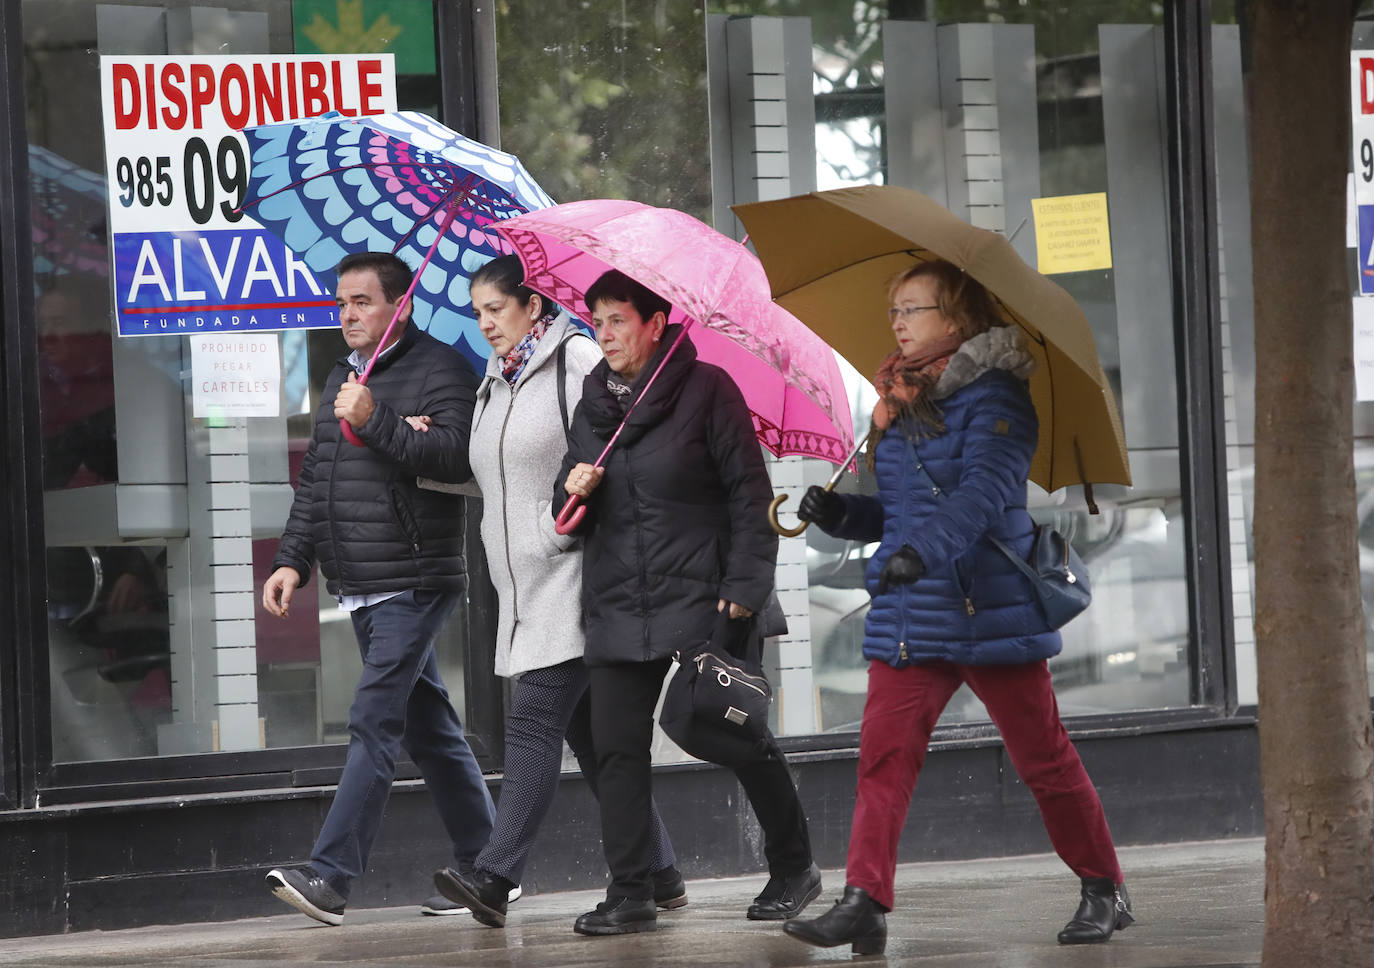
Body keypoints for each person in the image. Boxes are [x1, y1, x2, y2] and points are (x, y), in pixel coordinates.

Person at [782, 260, 1133, 956]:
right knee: (882, 759)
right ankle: (864, 900)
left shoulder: (999, 399)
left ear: (957, 320)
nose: (899, 323)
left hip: (984, 609)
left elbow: (980, 498)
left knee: (1042, 760)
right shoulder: (904, 400)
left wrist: (923, 554)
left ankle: (1103, 886)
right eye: (896, 312)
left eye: (914, 310)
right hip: (913, 610)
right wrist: (843, 514)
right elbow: (901, 512)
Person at [411, 255, 686, 926]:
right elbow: (493, 475)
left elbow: (613, 454)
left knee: (532, 720)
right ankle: (664, 873)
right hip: (520, 585)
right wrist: (410, 445)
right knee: (595, 745)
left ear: (532, 307)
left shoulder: (576, 361)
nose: (483, 324)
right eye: (476, 312)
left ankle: (495, 874)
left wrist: (556, 525)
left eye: (494, 310)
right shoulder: (492, 383)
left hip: (572, 575)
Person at [557, 269, 821, 937]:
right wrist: (576, 487)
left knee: (736, 735)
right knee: (616, 748)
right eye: (596, 320)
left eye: (618, 319)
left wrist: (742, 592)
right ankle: (631, 892)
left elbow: (749, 498)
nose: (604, 333)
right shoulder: (594, 403)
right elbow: (571, 518)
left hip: (706, 596)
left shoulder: (709, 392)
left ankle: (794, 867)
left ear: (655, 323)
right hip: (620, 599)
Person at [261, 251, 494, 926]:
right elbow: (318, 484)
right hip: (360, 581)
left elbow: (457, 457)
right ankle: (488, 867)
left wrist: (378, 419)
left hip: (415, 577)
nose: (348, 315)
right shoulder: (341, 376)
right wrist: (291, 562)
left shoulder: (442, 368)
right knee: (432, 730)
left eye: (362, 302)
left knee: (373, 721)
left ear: (402, 304)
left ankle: (330, 878)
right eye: (342, 303)